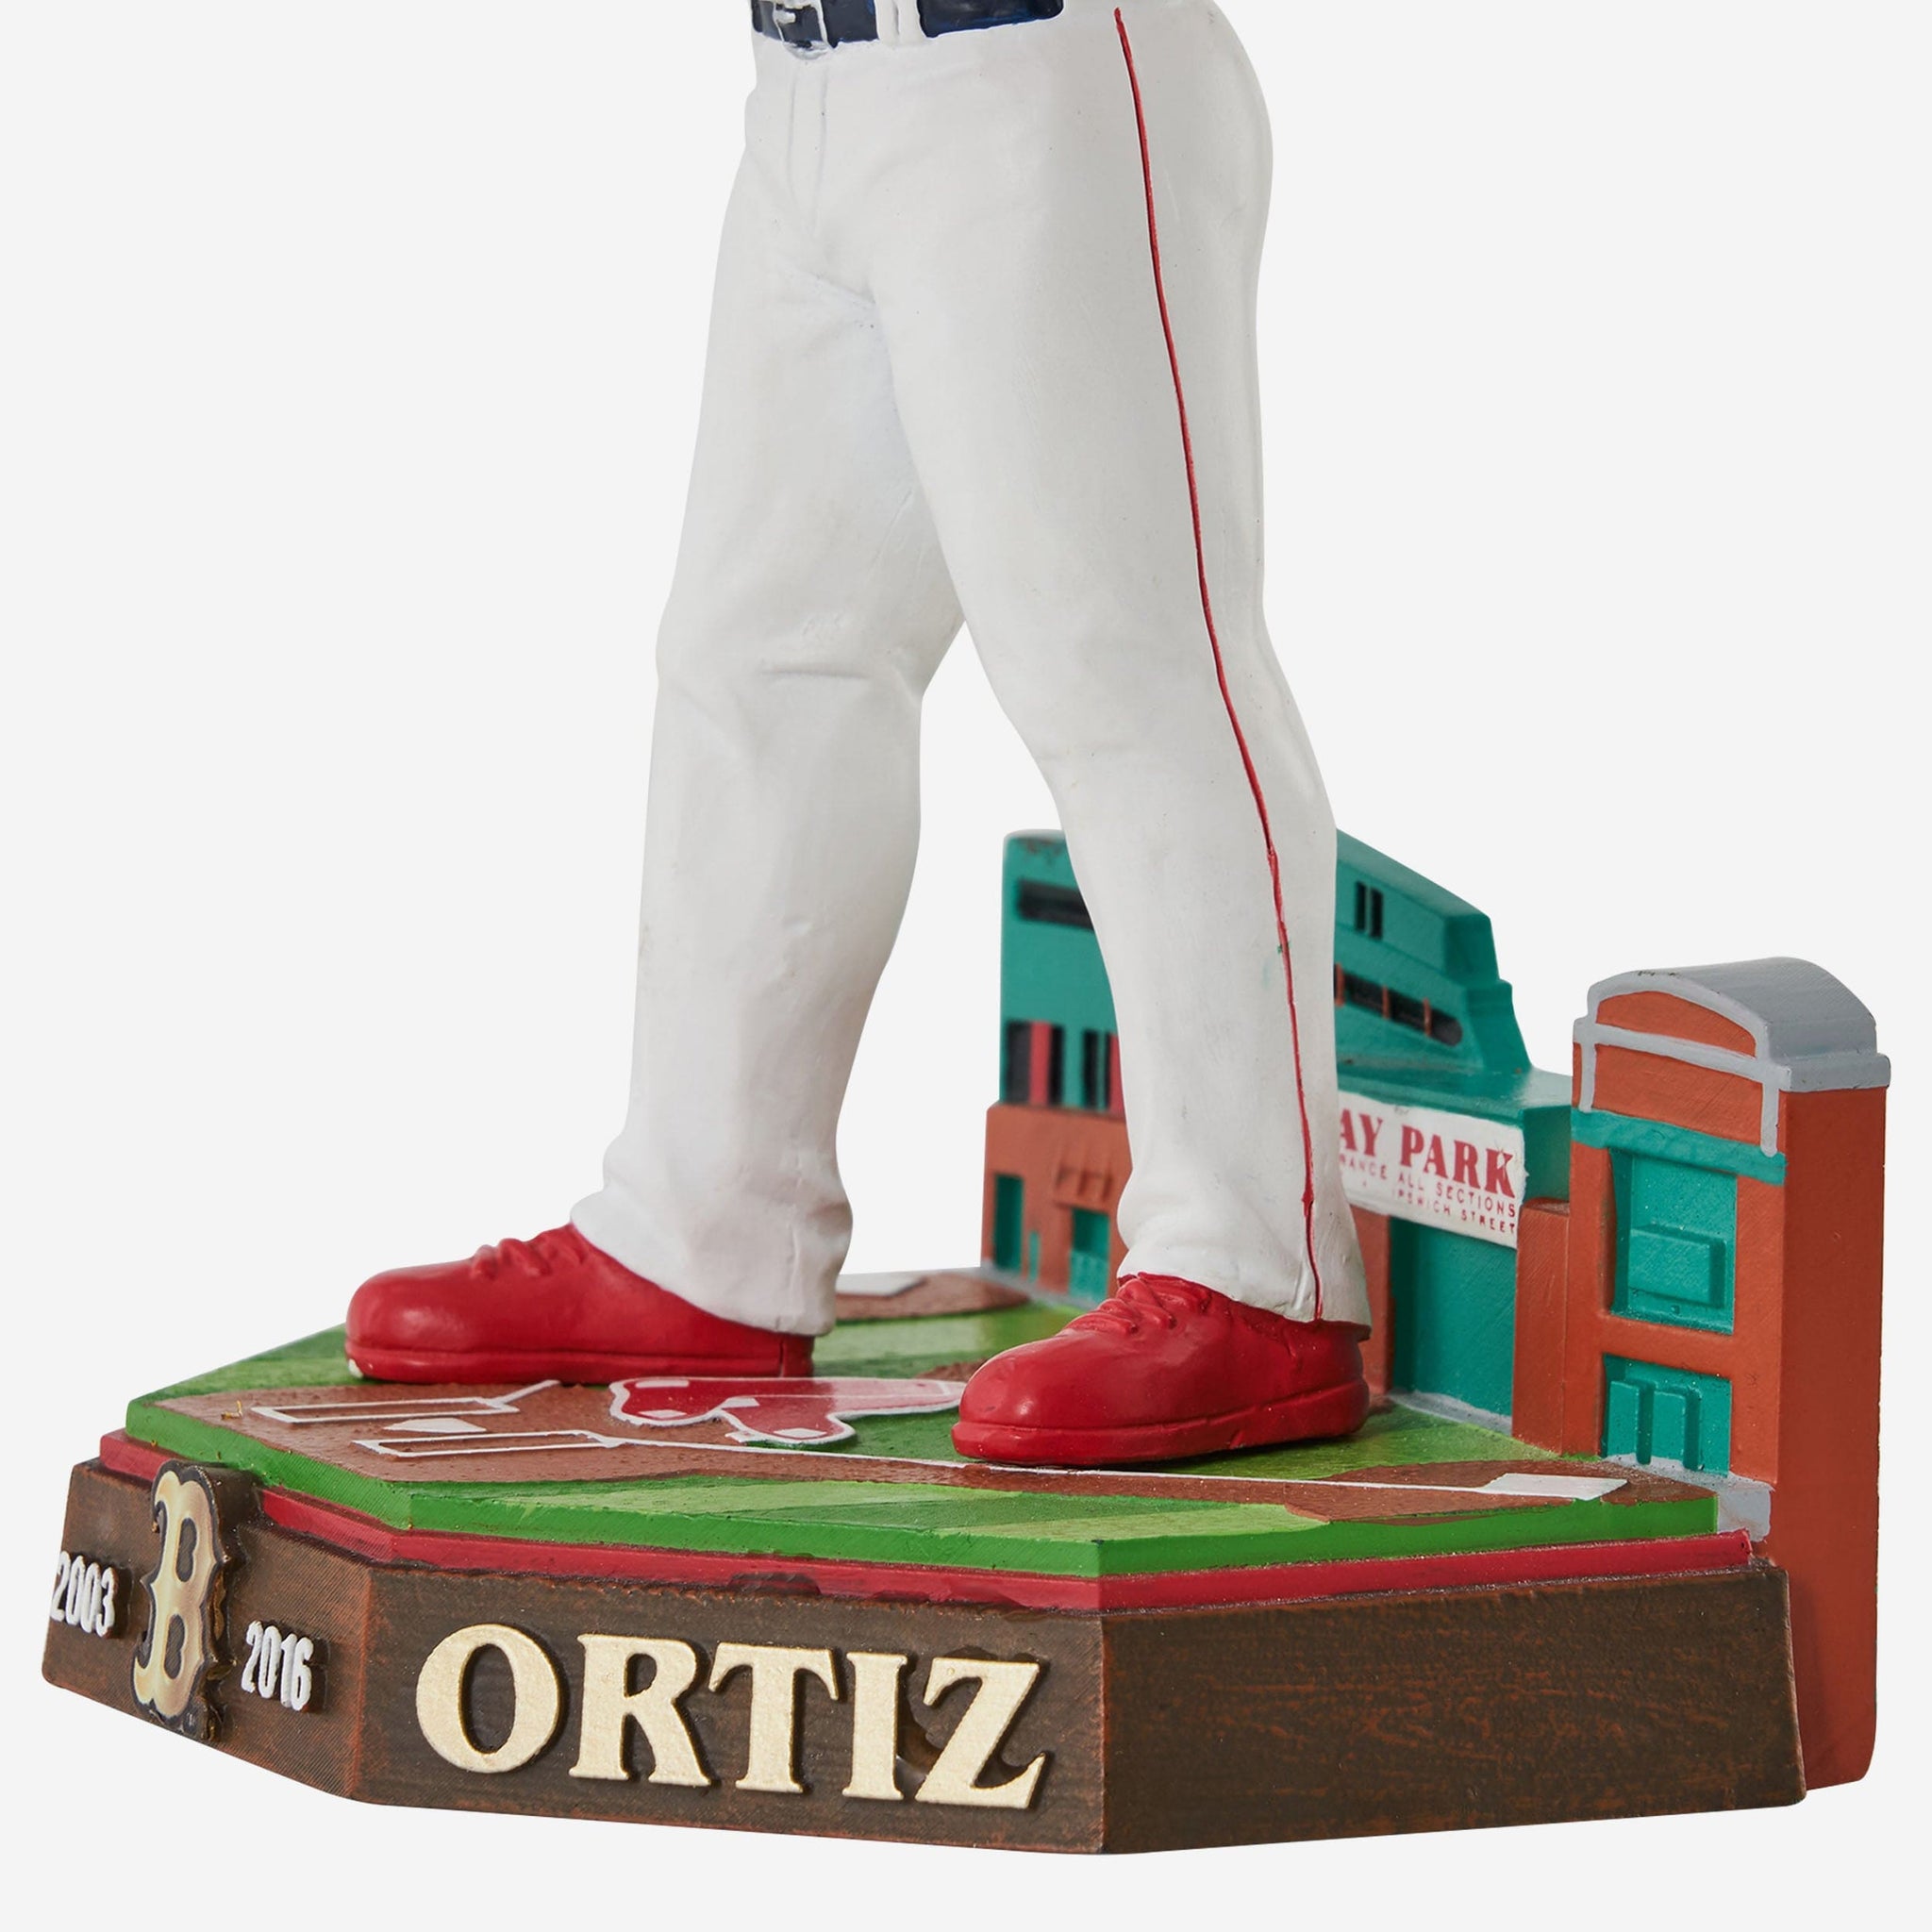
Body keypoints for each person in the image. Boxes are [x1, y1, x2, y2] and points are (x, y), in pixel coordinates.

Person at [347, 0, 1371, 1466]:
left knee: (1121, 663)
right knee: (759, 662)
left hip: (1031, 68)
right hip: (808, 96)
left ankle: (1253, 1271)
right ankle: (702, 1235)